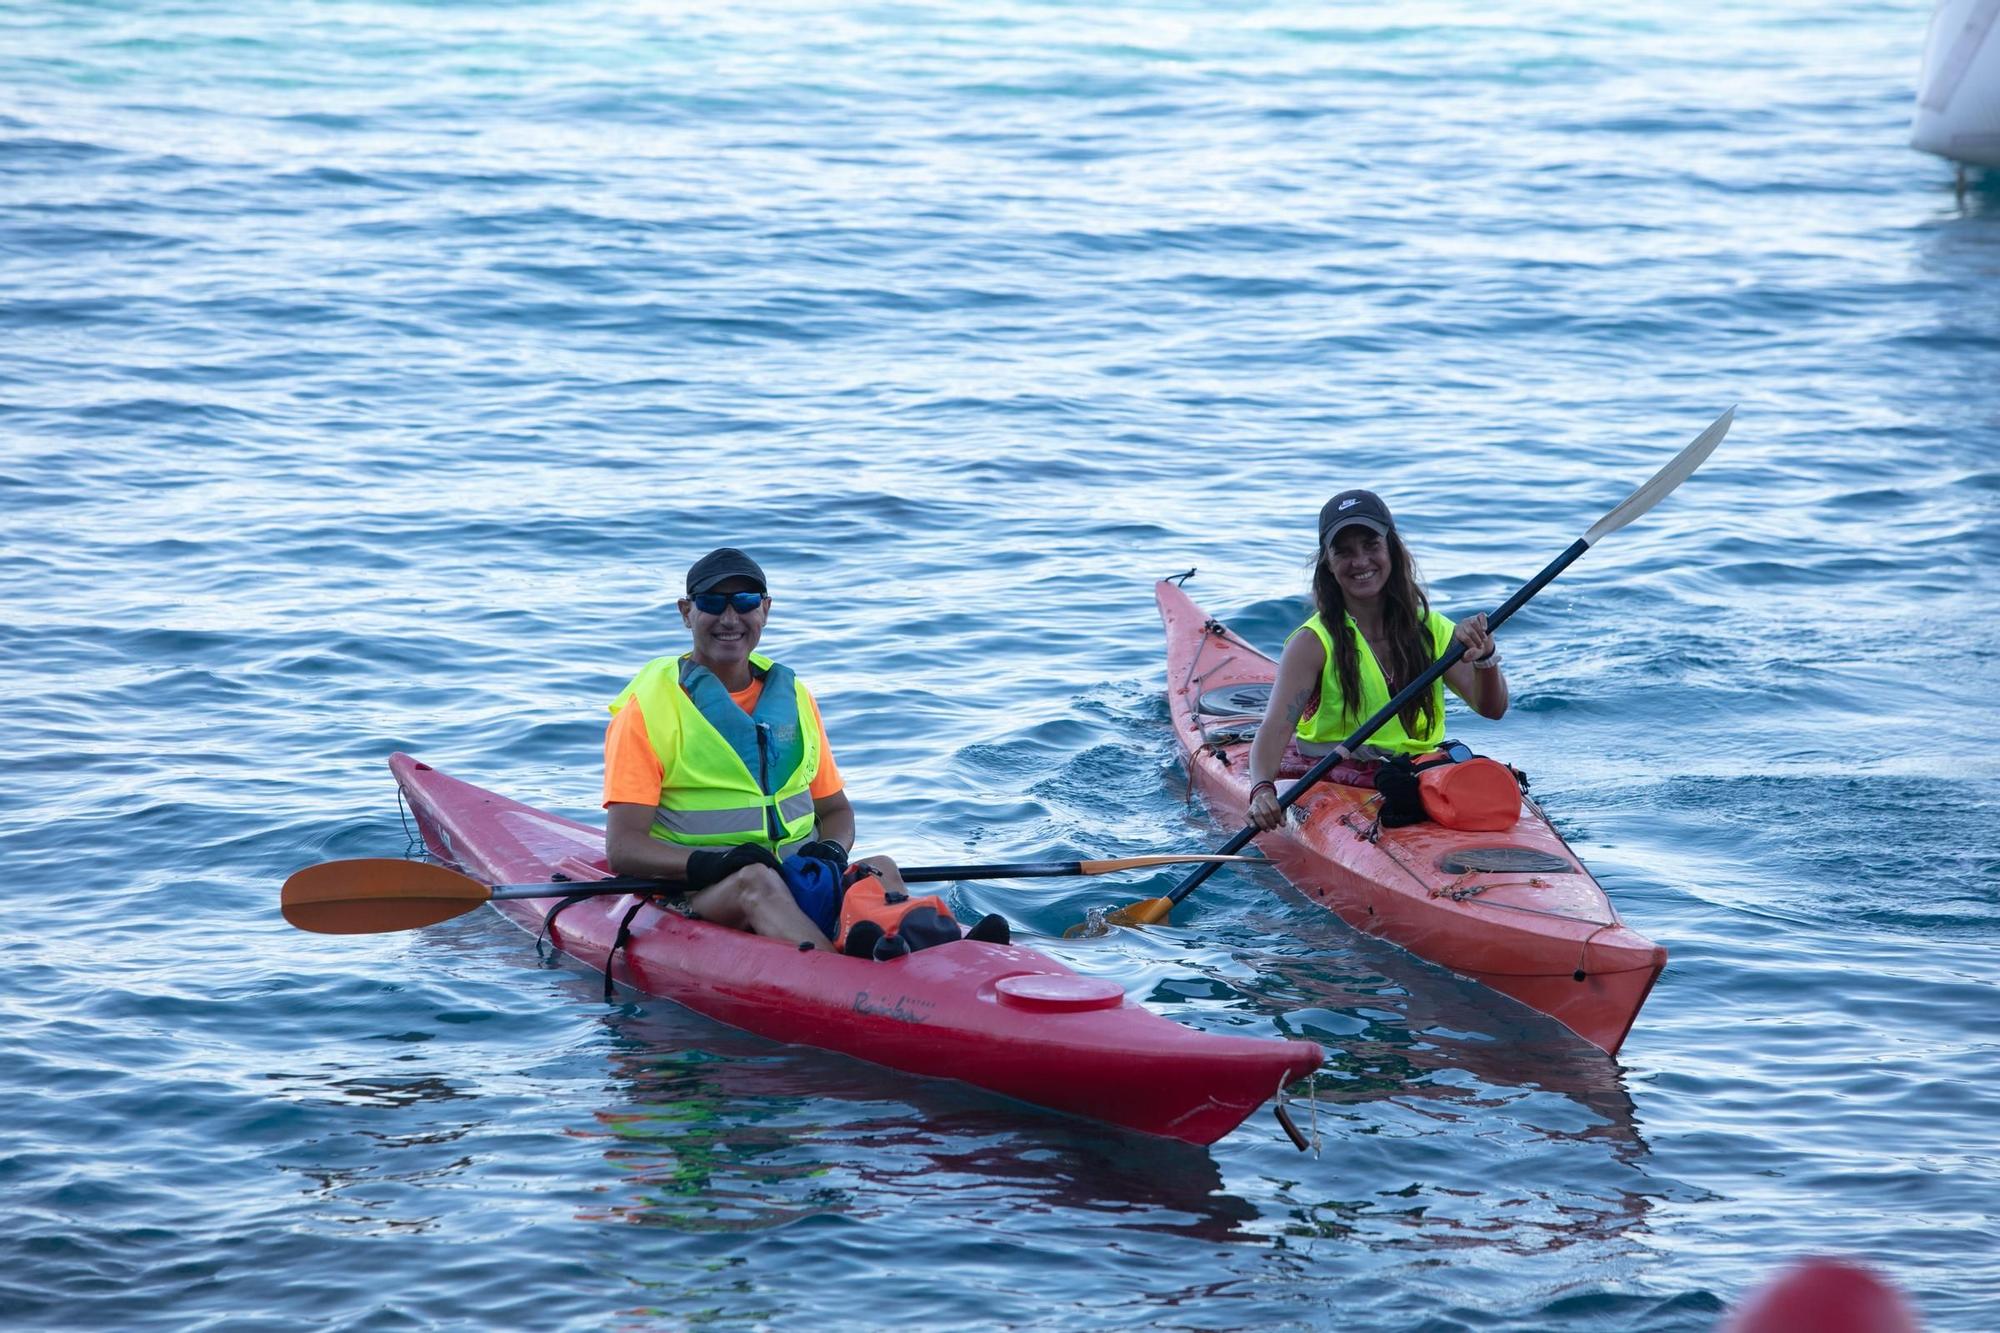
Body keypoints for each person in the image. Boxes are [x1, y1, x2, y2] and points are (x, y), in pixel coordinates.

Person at [601, 546, 903, 951]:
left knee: (879, 868)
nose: (730, 618)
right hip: (700, 894)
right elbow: (624, 850)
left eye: (744, 602)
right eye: (712, 602)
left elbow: (834, 810)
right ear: (686, 612)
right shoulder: (646, 711)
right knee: (756, 883)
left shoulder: (794, 697)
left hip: (799, 879)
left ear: (765, 609)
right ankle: (839, 972)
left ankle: (938, 951)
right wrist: (716, 863)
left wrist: (830, 849)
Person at [1244, 490, 1507, 832]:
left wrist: (1485, 657)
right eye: (1344, 551)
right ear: (1327, 562)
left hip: (1414, 778)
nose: (1361, 561)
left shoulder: (1434, 630)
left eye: (1371, 545)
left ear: (1392, 550)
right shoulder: (1312, 643)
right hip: (1339, 780)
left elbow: (1492, 709)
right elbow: (1275, 729)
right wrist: (1262, 789)